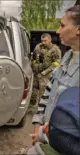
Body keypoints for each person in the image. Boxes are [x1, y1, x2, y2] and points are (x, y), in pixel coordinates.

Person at [31, 4, 80, 146]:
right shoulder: (67, 57)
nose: (58, 31)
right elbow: (48, 92)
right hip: (47, 138)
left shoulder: (57, 51)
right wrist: (38, 125)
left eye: (62, 25)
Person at [30, 33, 62, 105]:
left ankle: (41, 108)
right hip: (36, 73)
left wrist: (46, 71)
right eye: (42, 41)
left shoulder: (55, 49)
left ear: (50, 40)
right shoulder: (38, 47)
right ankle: (32, 106)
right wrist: (34, 66)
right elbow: (34, 57)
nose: (43, 42)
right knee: (33, 92)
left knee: (43, 93)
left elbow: (57, 63)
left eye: (45, 41)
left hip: (45, 75)